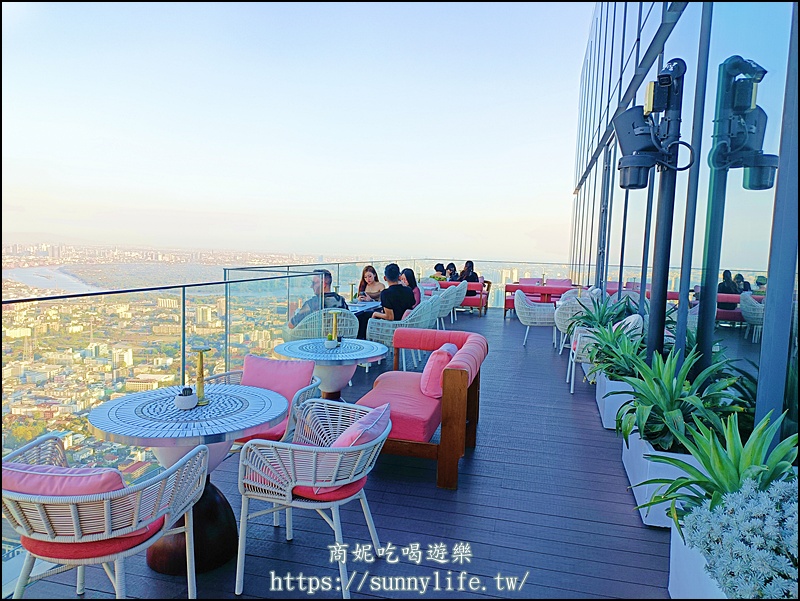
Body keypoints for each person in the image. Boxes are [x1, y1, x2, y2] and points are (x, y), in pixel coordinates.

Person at [356, 263, 415, 339]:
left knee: (363, 316)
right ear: (399, 277)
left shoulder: (386, 293)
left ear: (385, 278)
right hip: (406, 323)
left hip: (392, 325)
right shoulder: (409, 290)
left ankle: (363, 341)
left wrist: (375, 314)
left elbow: (390, 317)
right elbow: (411, 306)